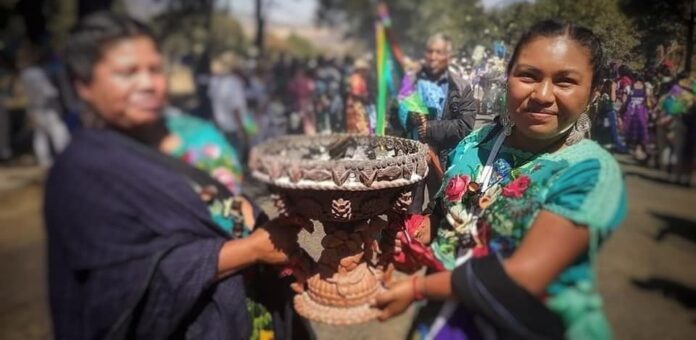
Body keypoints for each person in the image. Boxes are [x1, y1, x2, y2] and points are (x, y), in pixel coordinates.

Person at [44, 13, 310, 340]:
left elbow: (224, 197)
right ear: (83, 85)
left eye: (155, 69)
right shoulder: (83, 173)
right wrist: (252, 250)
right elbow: (121, 285)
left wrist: (247, 213)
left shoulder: (194, 133)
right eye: (127, 73)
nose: (147, 83)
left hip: (251, 313)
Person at [373, 21, 626, 340]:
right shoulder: (476, 144)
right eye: (528, 76)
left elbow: (521, 277)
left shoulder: (589, 170)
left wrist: (417, 287)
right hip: (442, 319)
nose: (542, 95)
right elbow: (447, 222)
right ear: (508, 78)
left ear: (593, 92)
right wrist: (412, 235)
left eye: (565, 81)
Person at [396, 33, 478, 213]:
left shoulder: (461, 86)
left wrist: (430, 128)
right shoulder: (410, 80)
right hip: (412, 155)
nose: (433, 57)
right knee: (408, 209)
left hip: (443, 157)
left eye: (439, 52)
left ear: (448, 56)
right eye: (430, 51)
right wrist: (409, 117)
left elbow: (465, 125)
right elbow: (396, 112)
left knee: (441, 209)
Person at [18, 45, 71, 167]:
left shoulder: (24, 74)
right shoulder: (37, 72)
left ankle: (44, 161)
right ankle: (64, 158)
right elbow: (47, 90)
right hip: (45, 108)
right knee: (58, 131)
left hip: (33, 108)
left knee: (40, 135)